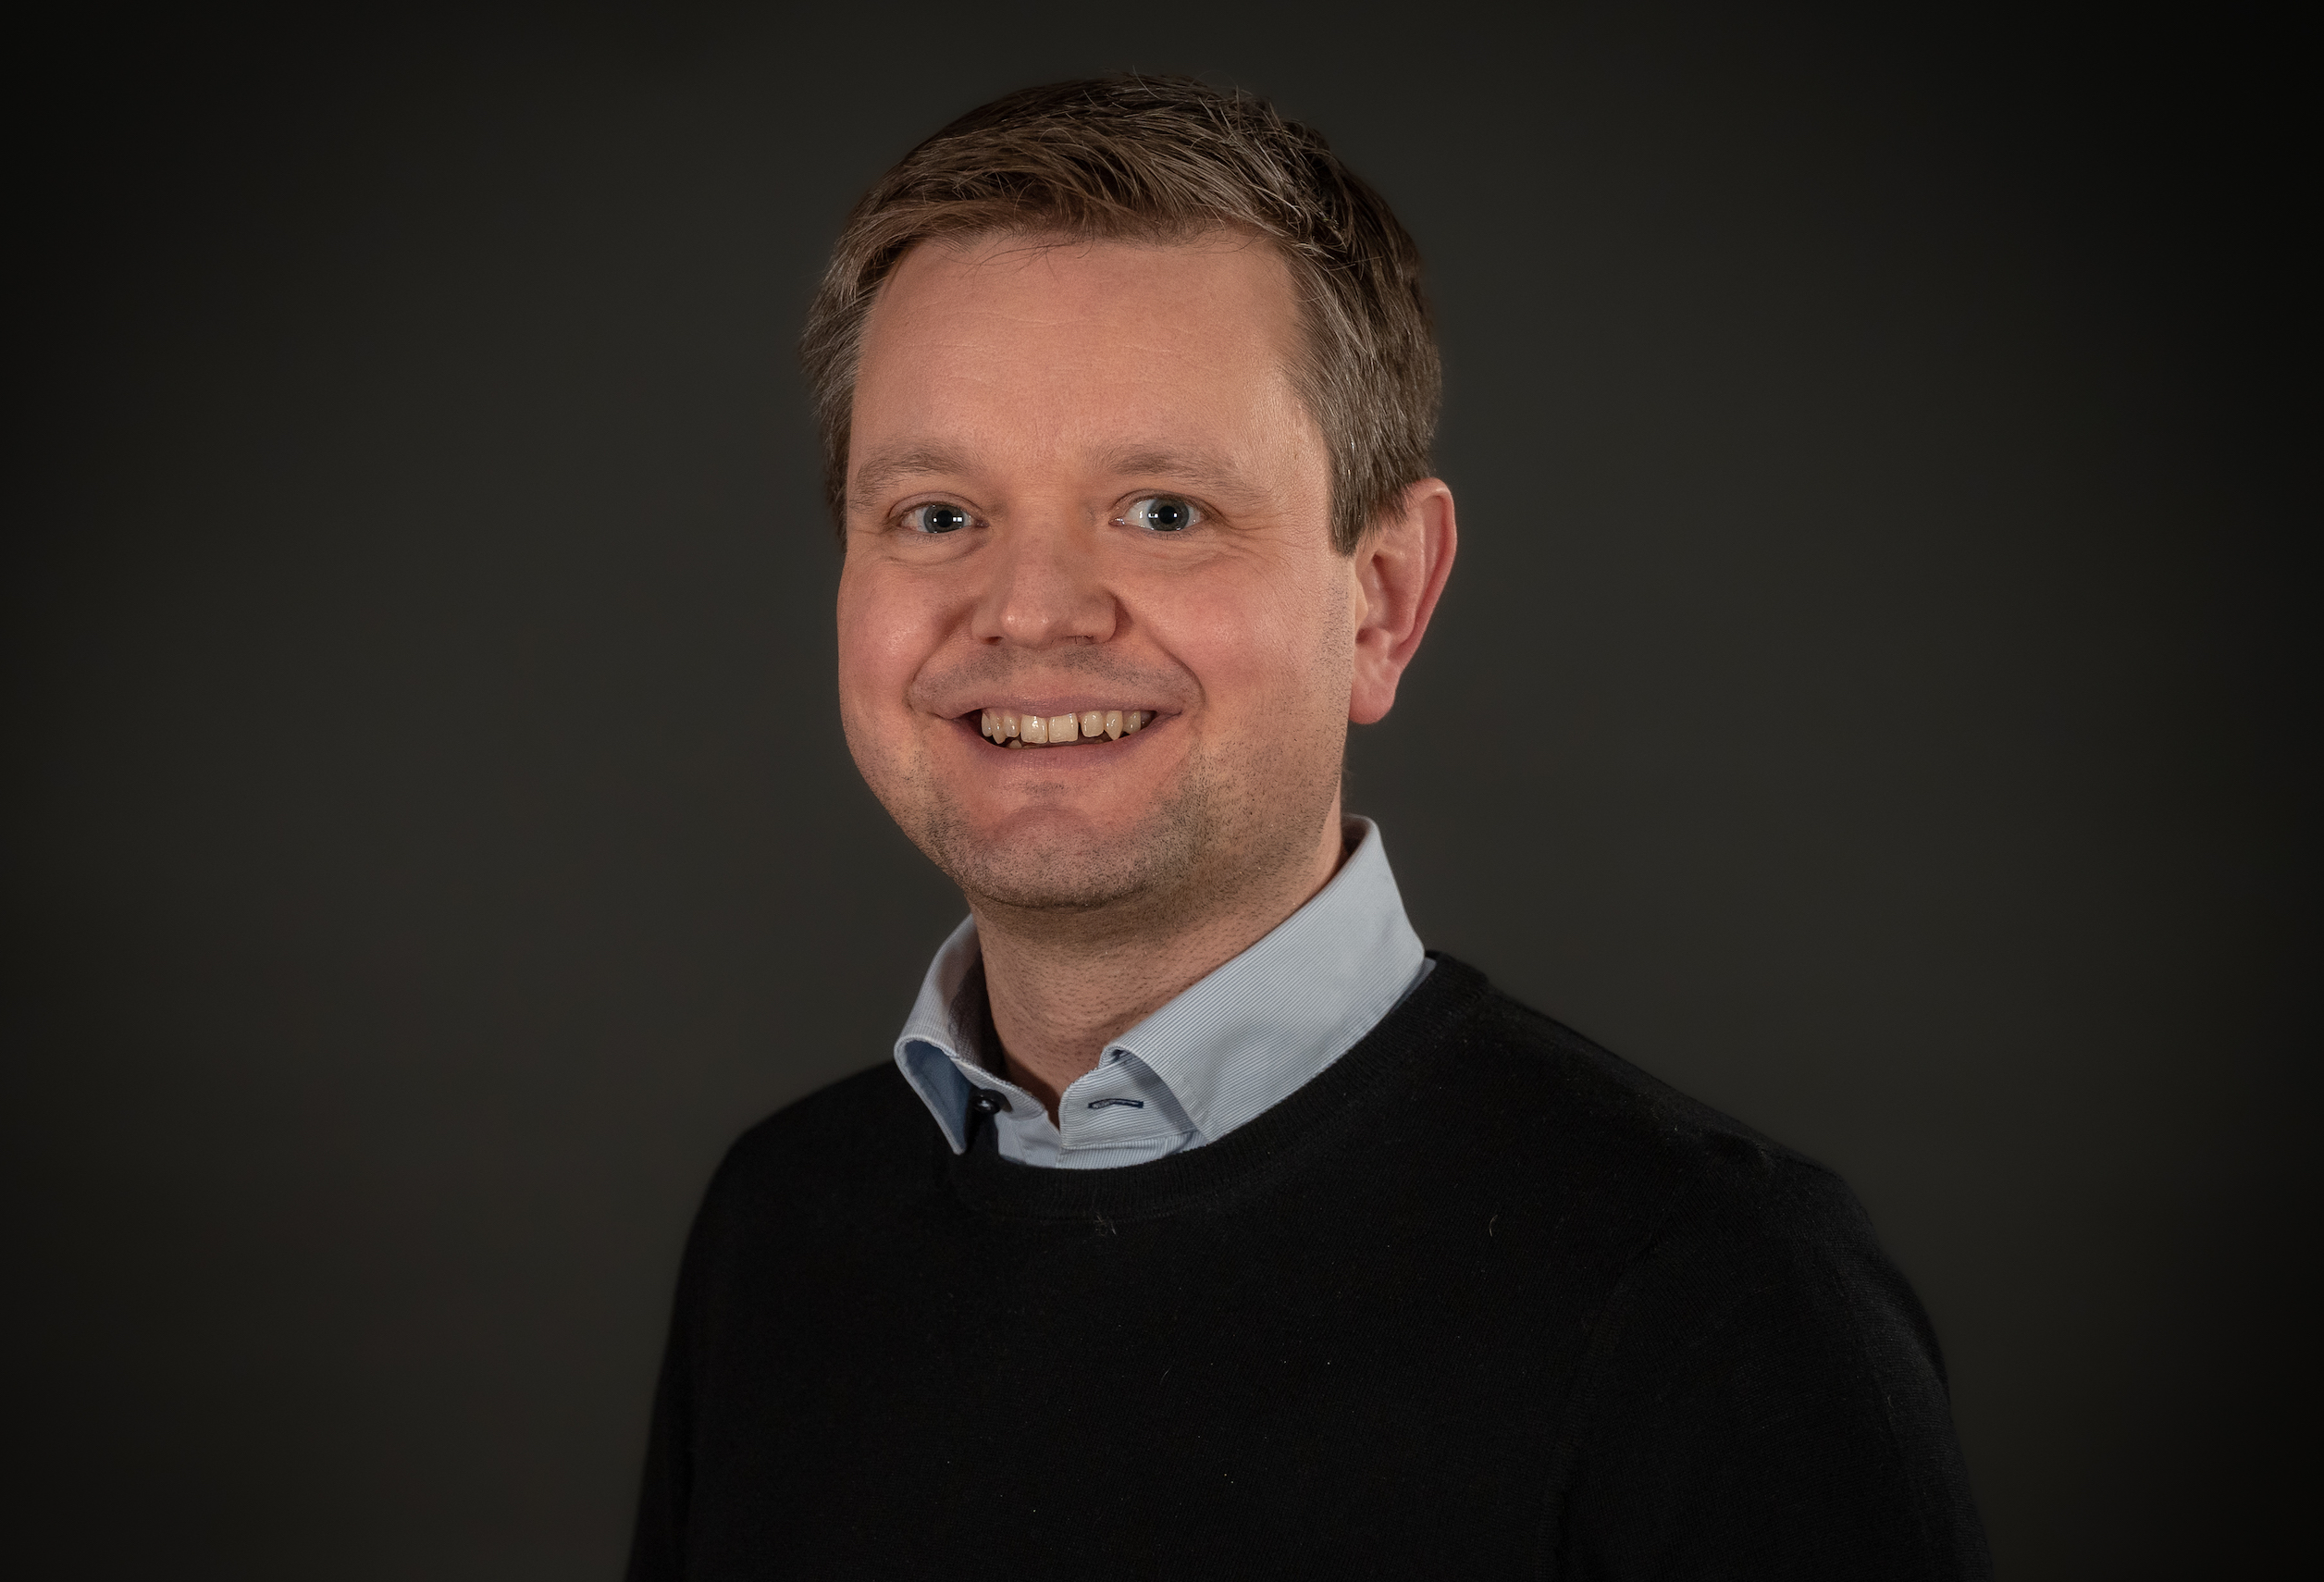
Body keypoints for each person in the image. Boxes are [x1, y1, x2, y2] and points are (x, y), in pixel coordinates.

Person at [628, 76, 1988, 1579]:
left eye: (1164, 510)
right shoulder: (779, 1226)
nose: (1030, 610)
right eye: (937, 514)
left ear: (1383, 599)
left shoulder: (1714, 1296)